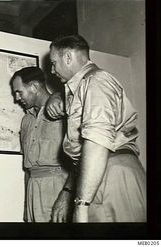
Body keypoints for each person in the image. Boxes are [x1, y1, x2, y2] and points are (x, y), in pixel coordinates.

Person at [46, 34, 146, 222]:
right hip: (102, 170)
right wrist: (57, 96)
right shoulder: (86, 85)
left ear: (68, 58)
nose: (52, 70)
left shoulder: (96, 82)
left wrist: (82, 204)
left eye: (53, 63)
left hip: (110, 172)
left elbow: (97, 141)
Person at [10, 67, 72, 222]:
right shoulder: (26, 120)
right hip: (33, 189)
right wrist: (27, 206)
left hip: (58, 186)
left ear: (34, 87)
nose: (17, 98)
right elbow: (27, 169)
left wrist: (67, 195)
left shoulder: (63, 109)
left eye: (19, 92)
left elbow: (79, 160)